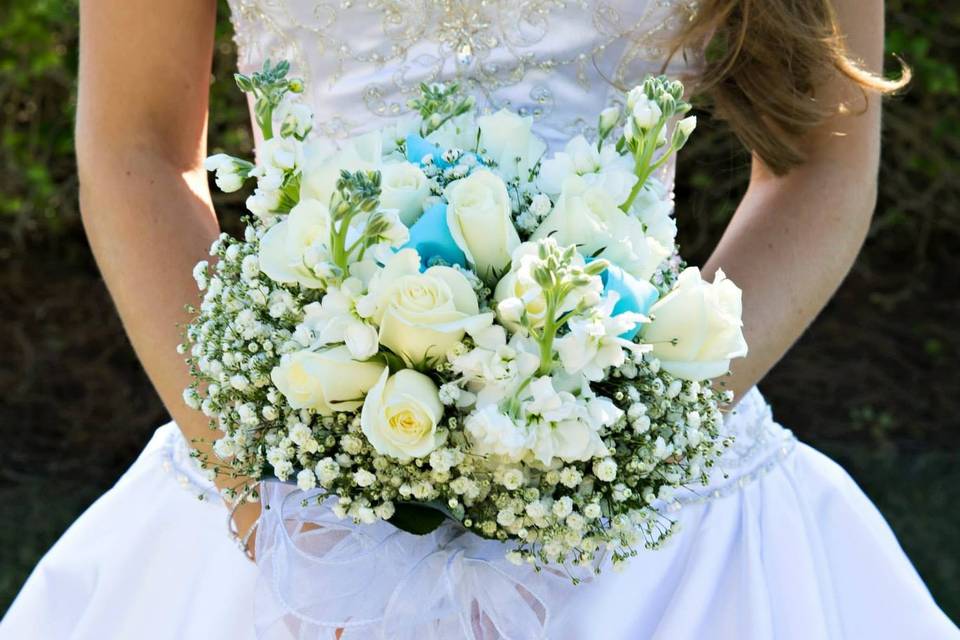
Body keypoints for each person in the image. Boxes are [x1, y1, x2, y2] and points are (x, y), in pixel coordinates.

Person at [2, 0, 957, 637]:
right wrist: (282, 517)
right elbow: (134, 147)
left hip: (653, 516)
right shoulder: (279, 513)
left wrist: (627, 441)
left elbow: (825, 161)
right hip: (281, 488)